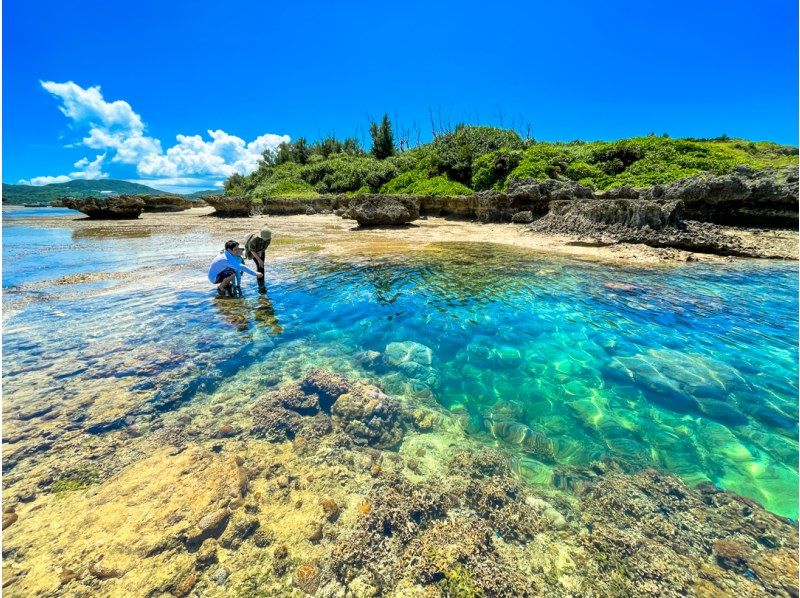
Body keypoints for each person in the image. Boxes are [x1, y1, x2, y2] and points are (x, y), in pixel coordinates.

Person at [244, 229, 272, 293]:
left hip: (261, 250)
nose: (266, 239)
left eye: (267, 238)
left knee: (262, 266)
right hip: (253, 251)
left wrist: (261, 251)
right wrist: (259, 260)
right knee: (259, 265)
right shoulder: (254, 239)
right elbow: (252, 250)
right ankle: (260, 283)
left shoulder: (269, 238)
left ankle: (262, 282)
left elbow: (266, 246)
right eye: (264, 238)